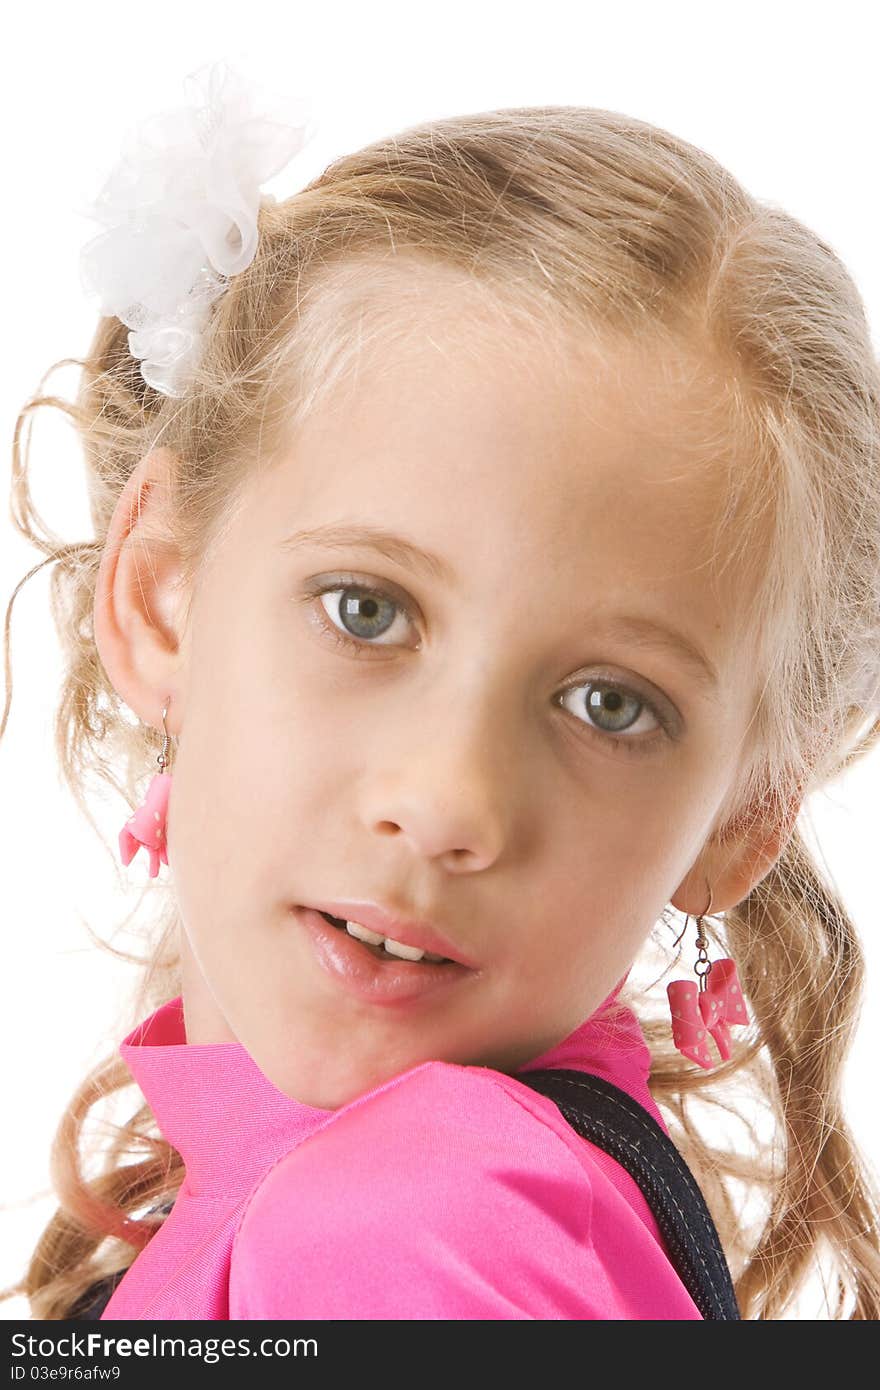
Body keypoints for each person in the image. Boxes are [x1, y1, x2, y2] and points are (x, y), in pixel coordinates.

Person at [3, 58, 880, 1321]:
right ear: (158, 592)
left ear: (740, 822)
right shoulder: (352, 1202)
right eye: (368, 612)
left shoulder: (401, 1229)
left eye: (609, 704)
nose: (447, 799)